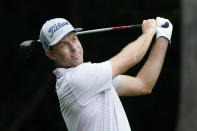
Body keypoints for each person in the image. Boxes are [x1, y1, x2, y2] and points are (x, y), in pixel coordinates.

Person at [39, 17, 173, 131]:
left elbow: (143, 84)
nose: (73, 48)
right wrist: (149, 32)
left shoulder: (94, 78)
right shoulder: (74, 80)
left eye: (74, 39)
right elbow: (130, 58)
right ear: (50, 54)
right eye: (63, 44)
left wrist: (163, 37)